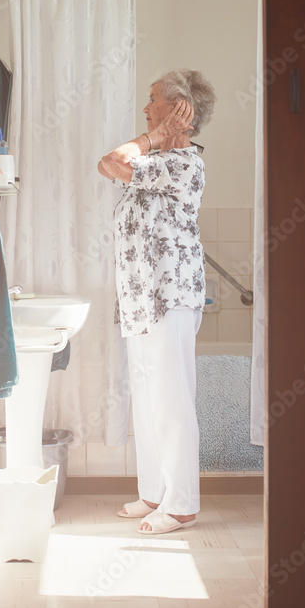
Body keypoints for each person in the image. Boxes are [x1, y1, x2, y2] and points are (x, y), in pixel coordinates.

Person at [97, 68, 216, 534]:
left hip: (170, 298)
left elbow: (111, 159)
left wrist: (153, 138)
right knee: (146, 398)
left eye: (154, 101)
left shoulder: (185, 163)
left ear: (178, 111)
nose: (146, 109)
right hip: (140, 300)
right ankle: (154, 493)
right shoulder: (157, 162)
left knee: (170, 399)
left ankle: (183, 503)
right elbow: (107, 166)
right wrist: (153, 136)